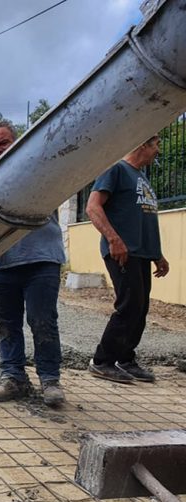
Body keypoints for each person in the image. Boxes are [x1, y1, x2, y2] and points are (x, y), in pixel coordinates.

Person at [0, 121, 67, 407]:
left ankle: (50, 381)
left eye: (2, 143)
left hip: (41, 259)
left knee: (43, 321)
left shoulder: (40, 168)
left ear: (16, 143)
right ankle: (13, 378)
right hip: (2, 264)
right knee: (7, 324)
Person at [85, 135, 169, 384]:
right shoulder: (116, 169)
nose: (158, 151)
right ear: (143, 144)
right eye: (156, 145)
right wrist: (113, 240)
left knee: (140, 308)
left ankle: (125, 359)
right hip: (122, 251)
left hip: (141, 253)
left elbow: (143, 220)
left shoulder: (141, 177)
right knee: (129, 305)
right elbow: (93, 207)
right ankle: (102, 361)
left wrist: (157, 255)